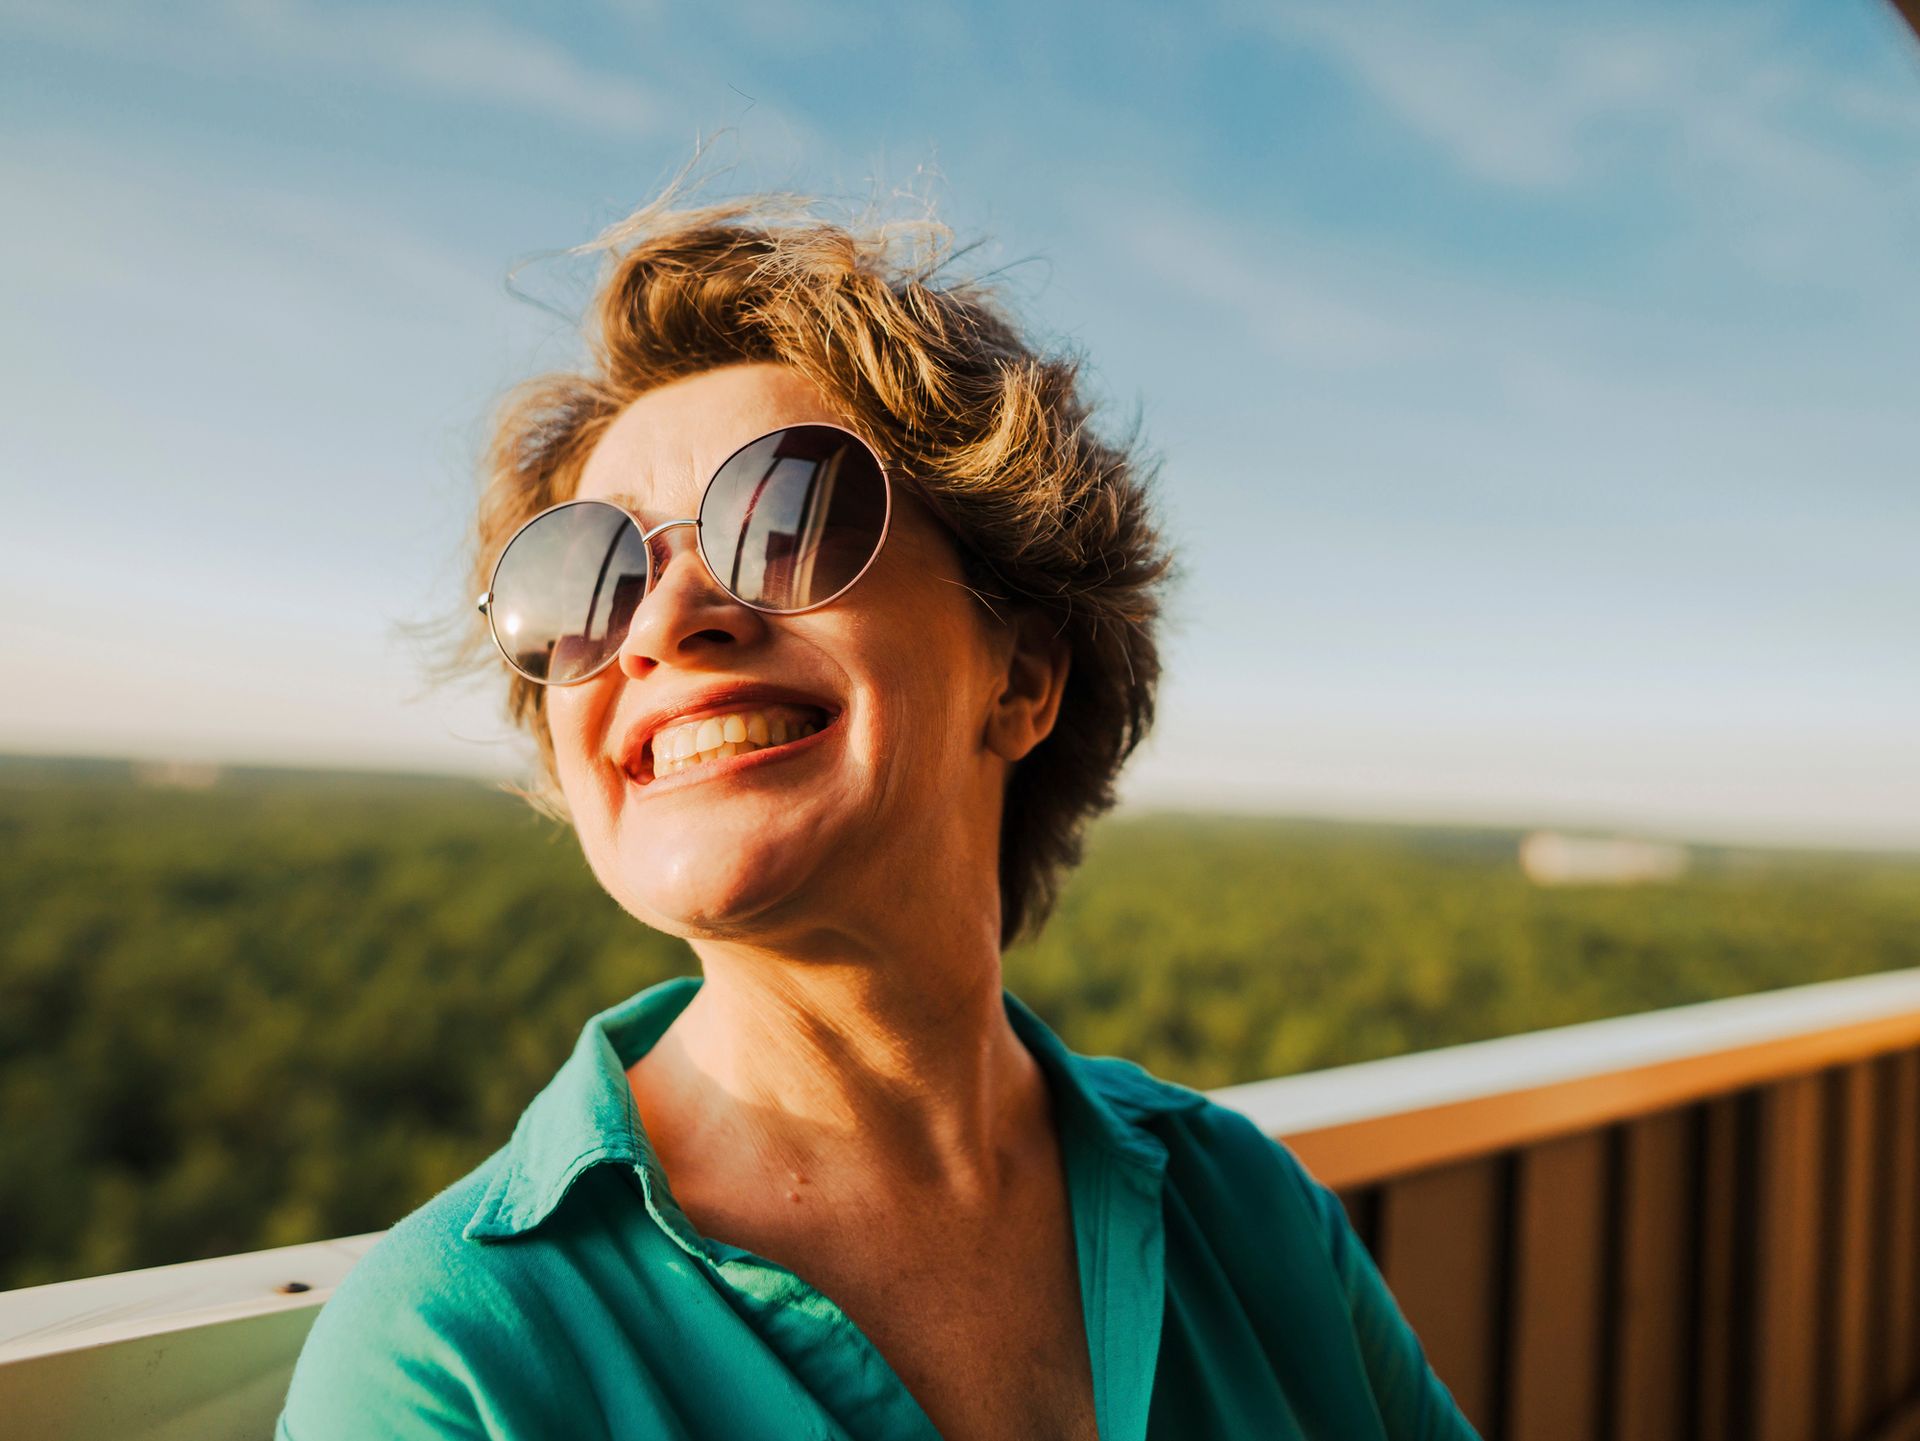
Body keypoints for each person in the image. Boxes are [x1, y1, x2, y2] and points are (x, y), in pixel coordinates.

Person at [275, 178, 1481, 1441]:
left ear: (1019, 677)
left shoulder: (1244, 1211)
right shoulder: (452, 1362)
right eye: (588, 577)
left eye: (787, 515)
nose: (664, 622)